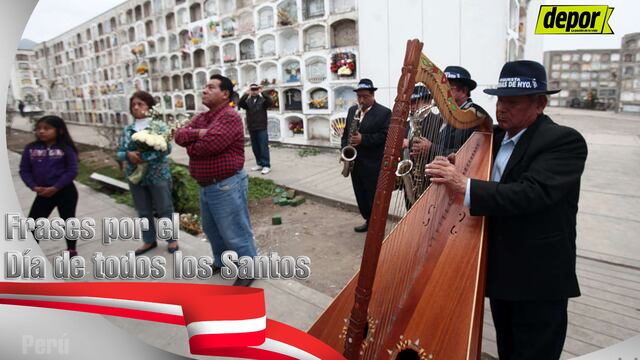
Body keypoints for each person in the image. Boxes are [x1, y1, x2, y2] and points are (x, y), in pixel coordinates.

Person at [425, 60, 588, 360]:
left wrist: (464, 185)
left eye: (512, 102)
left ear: (540, 104)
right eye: (499, 100)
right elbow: (483, 174)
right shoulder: (494, 137)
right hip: (500, 273)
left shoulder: (564, 142)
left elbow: (532, 193)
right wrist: (453, 165)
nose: (501, 108)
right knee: (508, 349)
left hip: (537, 279)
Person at [174, 74, 257, 287]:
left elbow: (206, 146)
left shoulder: (229, 116)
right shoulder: (203, 117)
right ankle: (221, 261)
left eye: (211, 87)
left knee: (235, 230)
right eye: (205, 87)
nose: (204, 90)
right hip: (206, 185)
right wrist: (199, 133)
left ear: (225, 94)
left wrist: (192, 142)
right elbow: (178, 135)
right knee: (212, 229)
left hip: (226, 184)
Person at [117, 91, 177, 255]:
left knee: (165, 208)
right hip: (135, 176)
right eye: (133, 105)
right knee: (143, 210)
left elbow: (167, 149)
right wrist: (128, 155)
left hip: (157, 174)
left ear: (149, 107)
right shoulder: (128, 130)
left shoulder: (158, 127)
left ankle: (172, 239)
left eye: (140, 104)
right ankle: (149, 240)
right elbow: (120, 152)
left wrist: (143, 157)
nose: (136, 107)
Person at [19, 115, 79, 256]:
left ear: (60, 131)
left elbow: (72, 171)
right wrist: (33, 186)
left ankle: (71, 249)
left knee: (68, 220)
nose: (41, 131)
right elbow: (24, 170)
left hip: (65, 191)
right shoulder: (31, 149)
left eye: (47, 128)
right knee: (34, 222)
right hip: (43, 193)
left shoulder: (66, 149)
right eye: (39, 128)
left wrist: (56, 187)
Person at [341, 78, 391, 233]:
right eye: (359, 97)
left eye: (365, 96)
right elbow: (345, 134)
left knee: (372, 197)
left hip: (372, 163)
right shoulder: (352, 110)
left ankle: (376, 225)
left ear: (372, 95)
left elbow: (385, 136)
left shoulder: (384, 112)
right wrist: (344, 150)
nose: (361, 100)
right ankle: (368, 220)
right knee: (360, 195)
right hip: (355, 162)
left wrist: (364, 139)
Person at [238, 84, 273, 175]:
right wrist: (246, 93)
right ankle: (259, 164)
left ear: (258, 90)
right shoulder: (248, 101)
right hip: (252, 127)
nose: (254, 91)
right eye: (252, 89)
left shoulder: (263, 101)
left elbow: (270, 102)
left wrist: (263, 92)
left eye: (255, 89)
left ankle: (266, 165)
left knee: (263, 146)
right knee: (255, 147)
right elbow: (240, 103)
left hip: (261, 127)